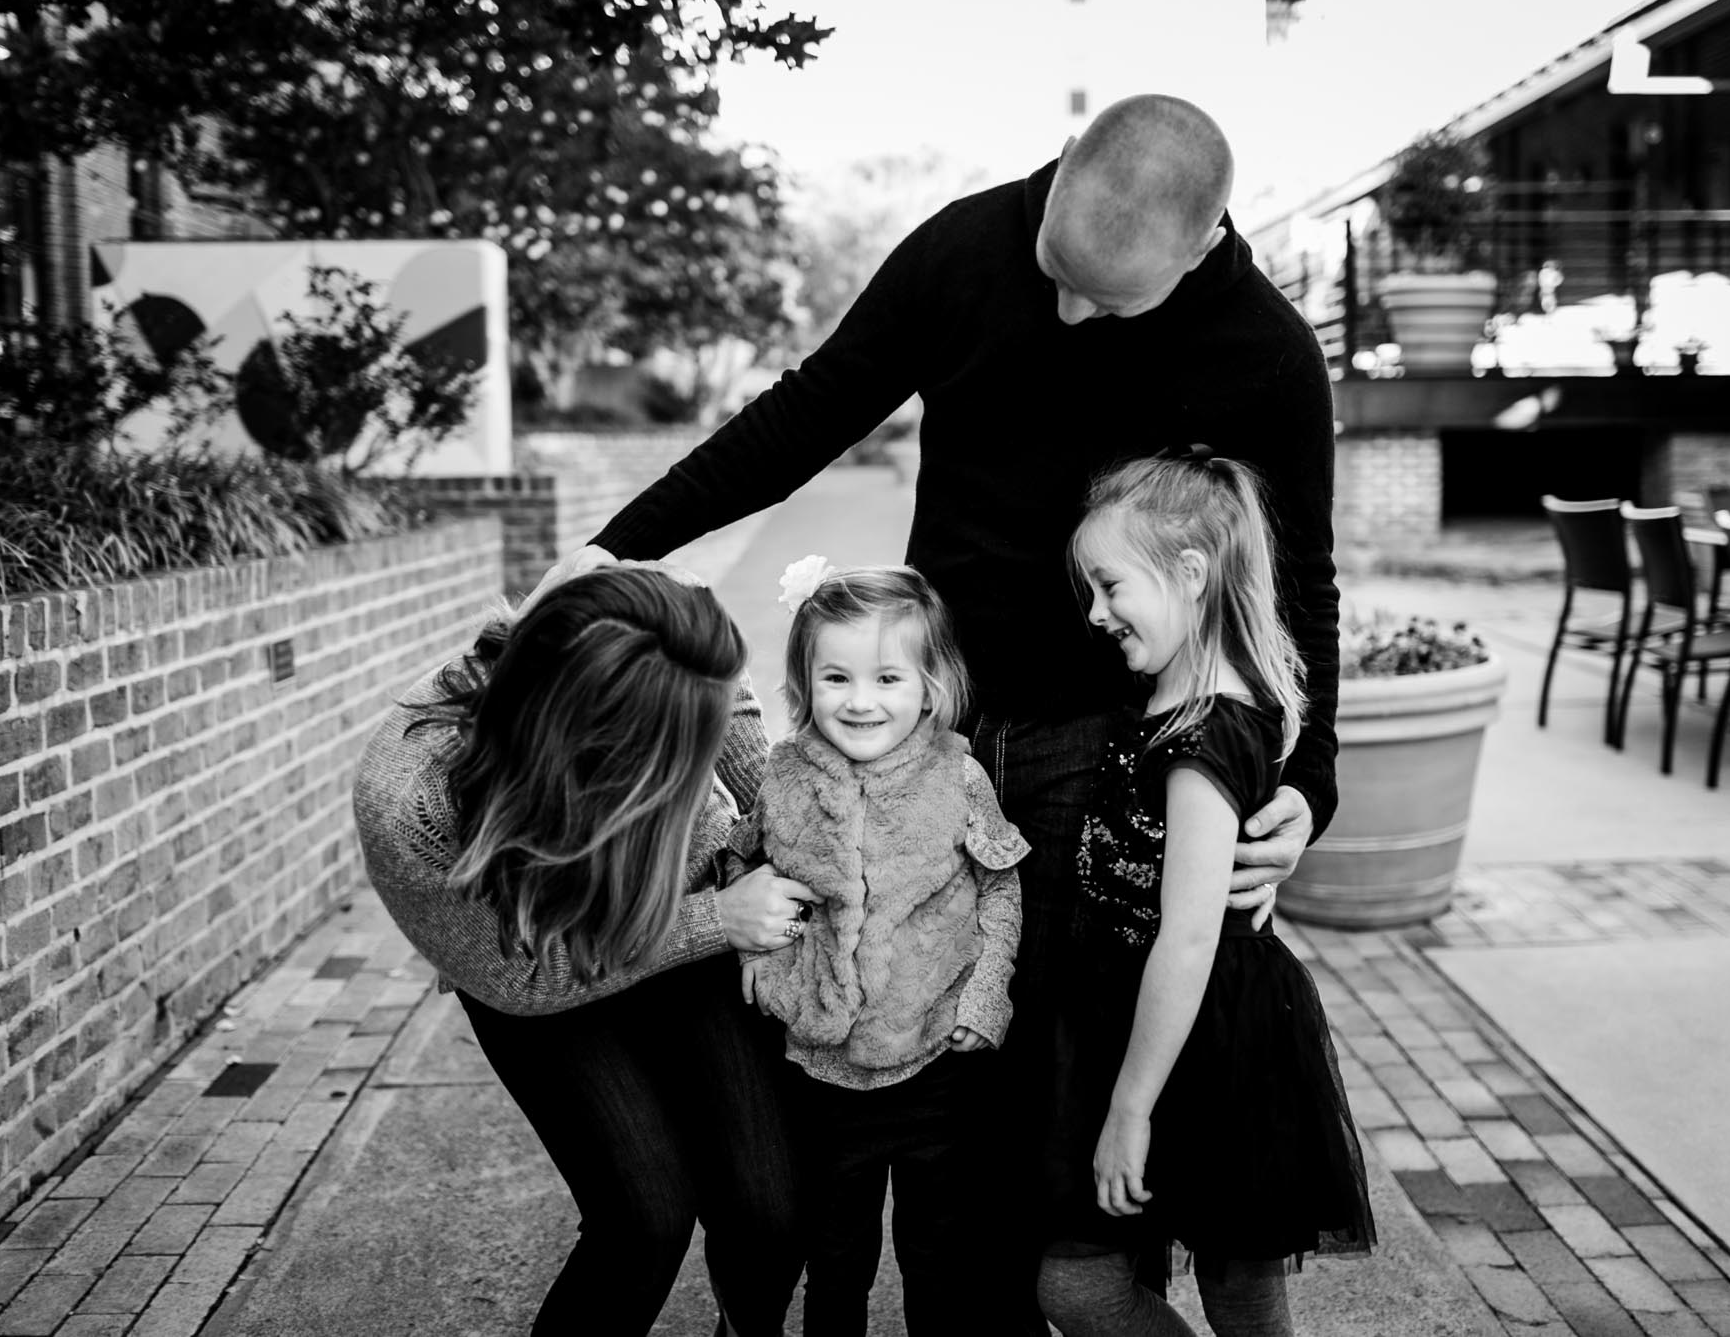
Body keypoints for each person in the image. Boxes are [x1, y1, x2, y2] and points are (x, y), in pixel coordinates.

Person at [539, 92, 1342, 1320]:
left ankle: (1052, 1293)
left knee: (1041, 1050)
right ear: (1055, 175)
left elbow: (1301, 580)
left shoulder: (1264, 354)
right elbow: (809, 410)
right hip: (942, 710)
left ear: (1201, 248)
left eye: (1106, 302)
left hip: (1099, 736)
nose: (1068, 313)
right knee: (910, 1010)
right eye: (1055, 275)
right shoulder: (967, 244)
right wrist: (615, 549)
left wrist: (1306, 781)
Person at [352, 565, 821, 1337]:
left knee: (769, 1200)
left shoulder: (658, 624)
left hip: (674, 895)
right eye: (672, 760)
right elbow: (520, 974)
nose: (692, 781)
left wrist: (769, 820)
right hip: (535, 943)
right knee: (645, 1217)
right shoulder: (414, 801)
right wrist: (714, 921)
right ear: (589, 754)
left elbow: (723, 690)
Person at [1035, 452, 1374, 1337]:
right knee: (1082, 1286)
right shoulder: (1166, 697)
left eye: (1111, 586)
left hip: (1210, 1042)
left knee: (1234, 1291)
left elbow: (1186, 939)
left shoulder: (1204, 737)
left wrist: (1128, 1108)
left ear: (1190, 574)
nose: (1097, 612)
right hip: (1132, 1018)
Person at [732, 560, 1026, 1336]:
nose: (861, 701)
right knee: (835, 1254)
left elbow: (999, 884)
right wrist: (763, 968)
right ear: (803, 680)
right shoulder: (781, 779)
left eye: (887, 677)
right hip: (823, 1070)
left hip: (935, 1061)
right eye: (836, 677)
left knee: (936, 1251)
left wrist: (984, 993)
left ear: (929, 686)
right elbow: (742, 870)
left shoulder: (956, 777)